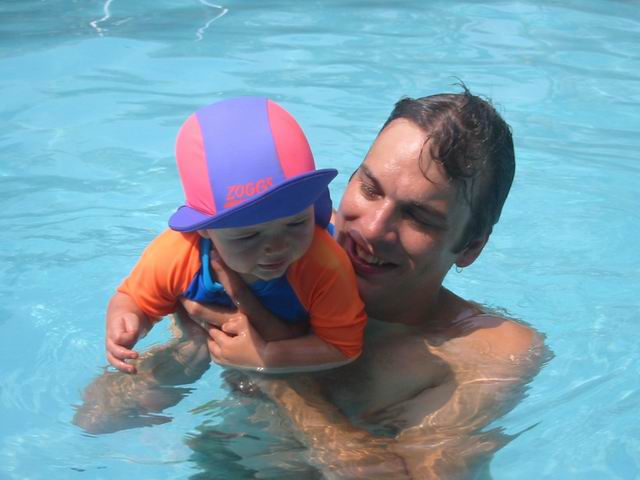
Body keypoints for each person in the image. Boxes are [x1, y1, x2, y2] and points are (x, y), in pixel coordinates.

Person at [76, 86, 545, 478]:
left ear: (470, 247)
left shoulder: (488, 353)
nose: (370, 229)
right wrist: (197, 344)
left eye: (418, 216)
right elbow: (98, 418)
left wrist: (275, 370)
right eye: (370, 188)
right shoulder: (273, 257)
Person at [105, 96, 367, 375]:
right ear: (203, 229)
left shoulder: (325, 264)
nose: (277, 246)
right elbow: (134, 299)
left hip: (291, 334)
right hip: (221, 318)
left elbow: (342, 348)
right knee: (177, 363)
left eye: (296, 223)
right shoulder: (175, 255)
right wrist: (128, 320)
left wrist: (266, 356)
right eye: (249, 236)